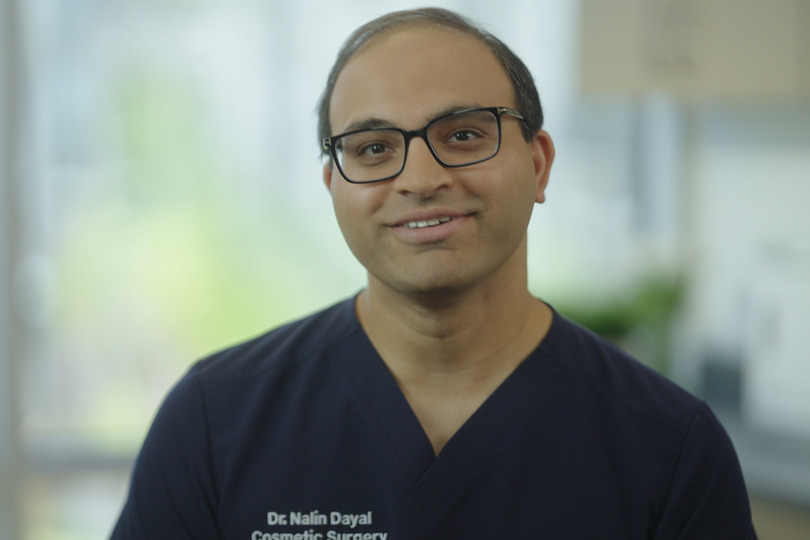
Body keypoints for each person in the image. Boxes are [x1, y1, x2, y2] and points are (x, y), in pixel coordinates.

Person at [111, 7, 758, 539]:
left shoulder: (669, 449)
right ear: (334, 185)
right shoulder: (214, 422)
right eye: (373, 149)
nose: (421, 180)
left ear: (538, 164)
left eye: (465, 136)